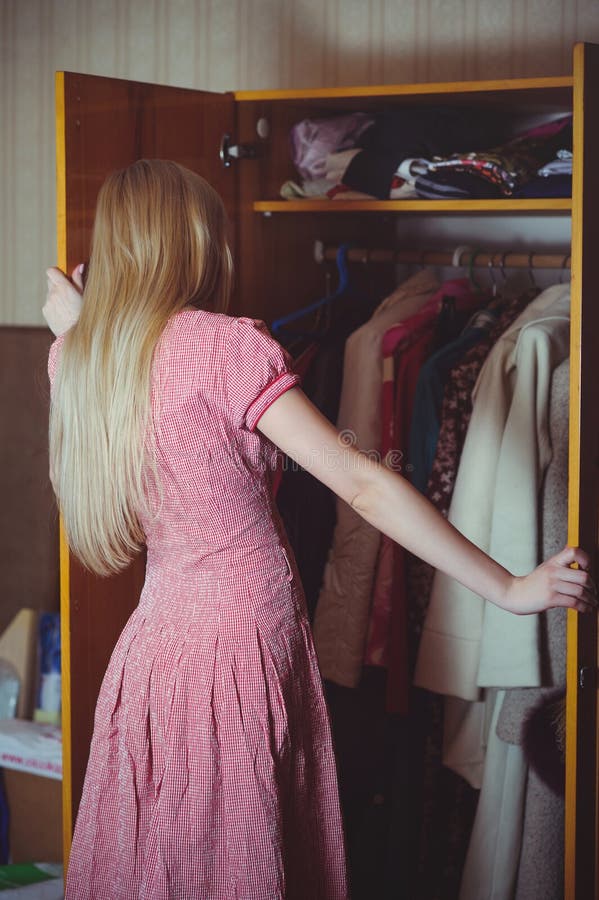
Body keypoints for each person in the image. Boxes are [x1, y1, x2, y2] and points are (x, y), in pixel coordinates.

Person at [44, 159, 594, 900]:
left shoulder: (78, 360)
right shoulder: (221, 347)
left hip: (155, 644)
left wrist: (76, 328)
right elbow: (364, 484)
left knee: (166, 855)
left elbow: (107, 364)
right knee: (234, 853)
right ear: (195, 243)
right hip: (238, 640)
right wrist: (509, 586)